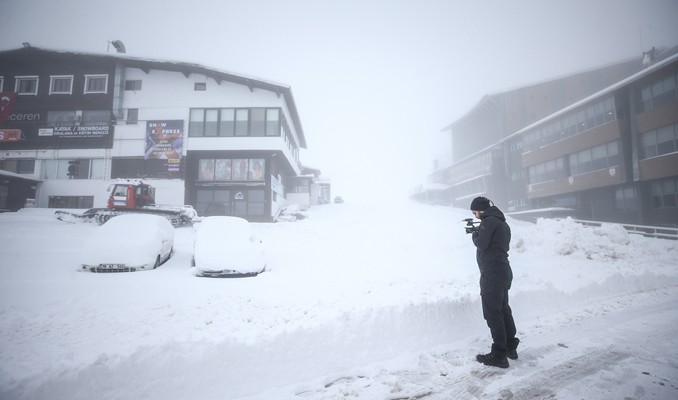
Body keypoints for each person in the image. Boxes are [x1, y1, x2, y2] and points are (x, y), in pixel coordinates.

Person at [470, 196, 519, 368]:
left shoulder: (488, 222)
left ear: (481, 210)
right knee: (503, 310)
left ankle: (499, 354)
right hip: (503, 271)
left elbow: (481, 244)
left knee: (493, 313)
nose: (474, 215)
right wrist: (480, 231)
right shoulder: (501, 222)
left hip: (492, 274)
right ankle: (510, 347)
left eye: (475, 211)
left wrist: (475, 234)